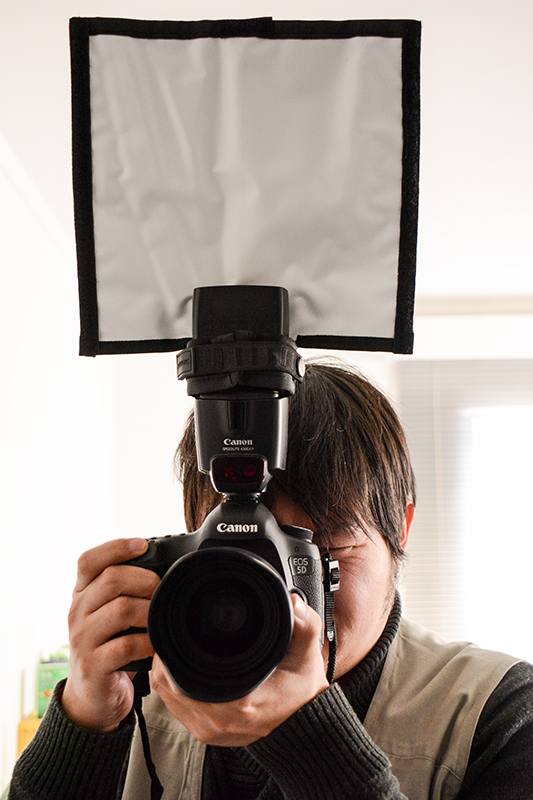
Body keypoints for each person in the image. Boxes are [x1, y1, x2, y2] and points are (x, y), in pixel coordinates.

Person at [6, 361, 533, 800]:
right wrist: (83, 726)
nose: (285, 593)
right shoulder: (141, 682)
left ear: (400, 528)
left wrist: (312, 738)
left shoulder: (497, 713)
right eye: (242, 552)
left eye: (322, 549)